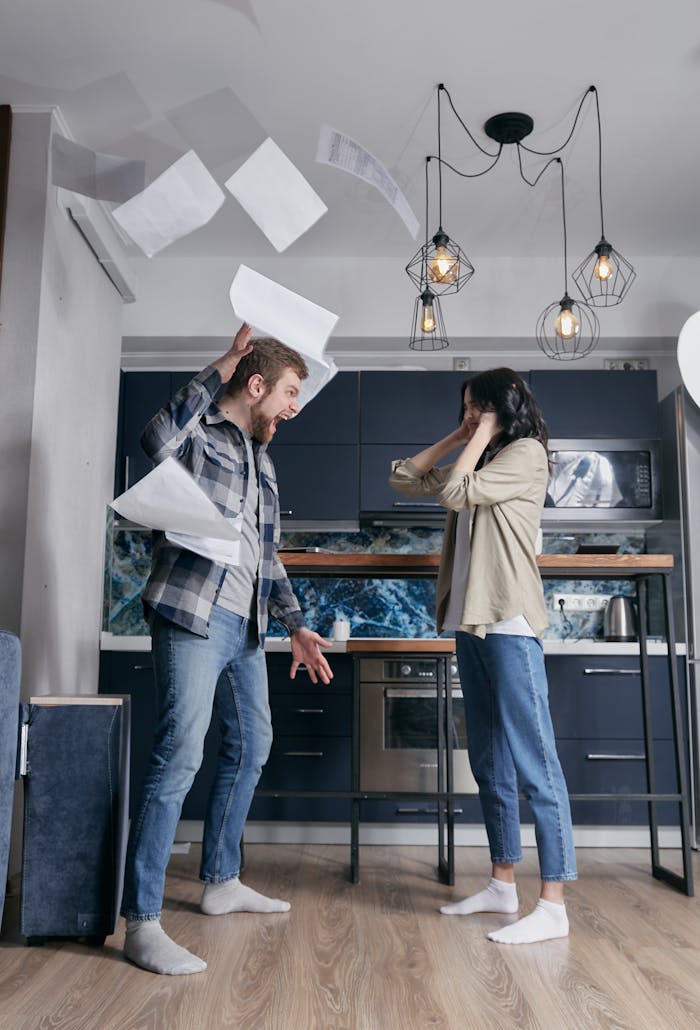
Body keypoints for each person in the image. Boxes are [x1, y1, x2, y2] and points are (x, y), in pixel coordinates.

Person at [120, 324, 333, 975]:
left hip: (244, 631)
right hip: (191, 614)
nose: (295, 406)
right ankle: (142, 923)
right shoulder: (201, 435)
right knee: (180, 754)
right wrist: (226, 361)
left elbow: (265, 559)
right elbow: (153, 438)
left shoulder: (262, 462)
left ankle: (220, 880)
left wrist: (294, 624)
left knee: (252, 746)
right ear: (257, 383)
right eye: (291, 391)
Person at [389, 368, 576, 945]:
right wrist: (456, 434)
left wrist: (482, 431)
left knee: (534, 759)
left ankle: (553, 902)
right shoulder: (479, 458)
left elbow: (451, 492)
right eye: (465, 407)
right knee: (489, 758)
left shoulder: (525, 454)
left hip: (510, 621)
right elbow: (403, 478)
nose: (471, 415)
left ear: (502, 408)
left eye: (480, 407)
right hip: (471, 623)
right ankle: (501, 882)